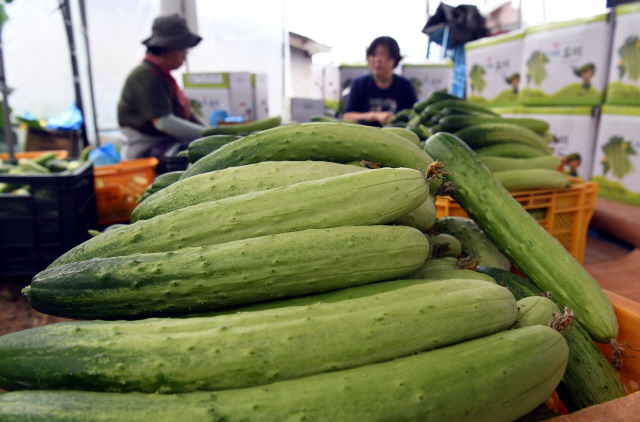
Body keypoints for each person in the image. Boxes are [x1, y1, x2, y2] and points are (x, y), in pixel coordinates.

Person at [117, 13, 208, 173]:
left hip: (163, 142)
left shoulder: (162, 76)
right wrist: (207, 133)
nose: (184, 58)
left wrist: (212, 133)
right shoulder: (145, 75)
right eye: (183, 53)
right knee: (196, 157)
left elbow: (188, 115)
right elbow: (163, 122)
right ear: (167, 49)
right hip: (144, 150)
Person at [342, 36, 418, 126]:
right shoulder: (359, 84)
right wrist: (375, 115)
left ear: (394, 59)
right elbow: (347, 116)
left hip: (396, 137)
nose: (377, 59)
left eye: (382, 54)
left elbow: (415, 115)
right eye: (373, 55)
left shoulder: (405, 86)